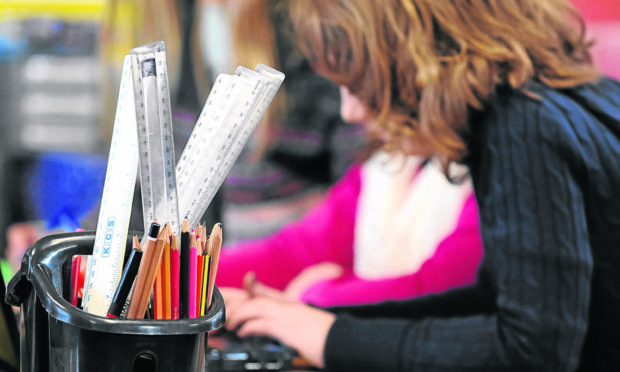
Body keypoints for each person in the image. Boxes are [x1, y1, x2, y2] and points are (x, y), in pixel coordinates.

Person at [224, 0, 620, 371]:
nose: (351, 110)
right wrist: (319, 319)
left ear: (420, 55)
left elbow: (532, 349)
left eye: (359, 81)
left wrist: (329, 335)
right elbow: (493, 302)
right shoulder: (568, 99)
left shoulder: (525, 126)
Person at [201, 0, 366, 244]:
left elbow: (355, 188)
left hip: (307, 247)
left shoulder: (305, 29)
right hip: (235, 247)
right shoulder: (189, 24)